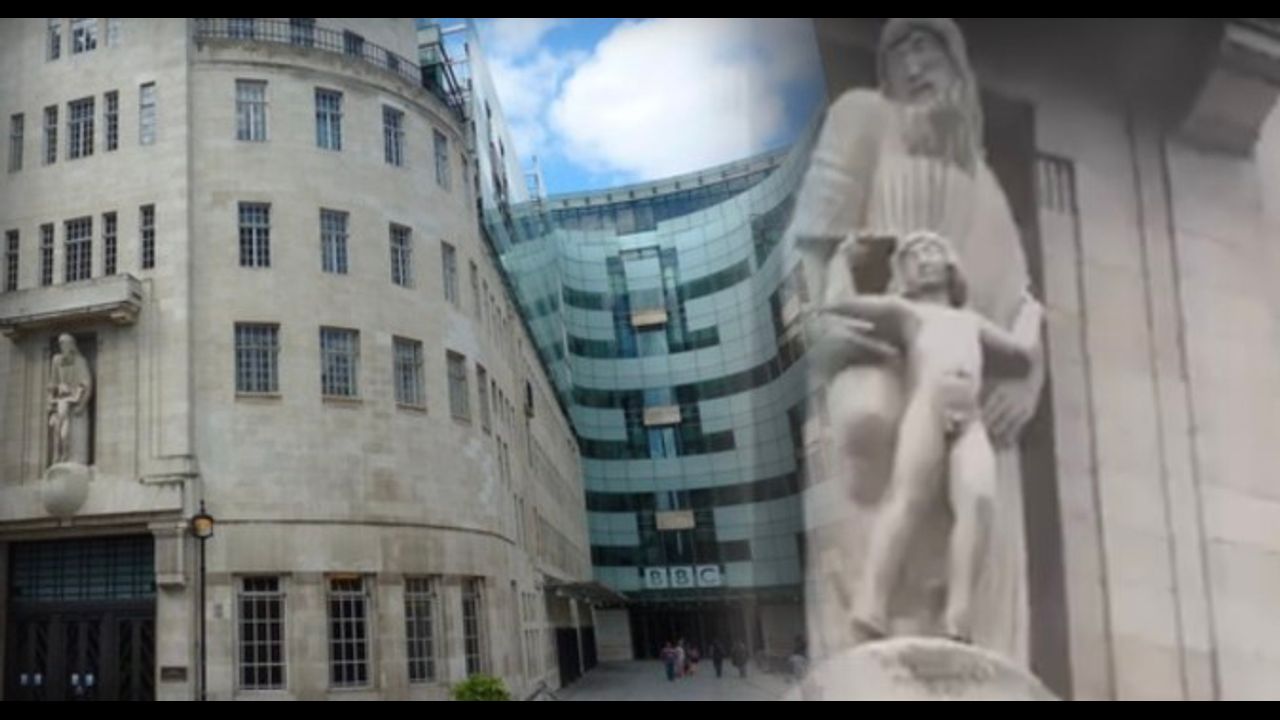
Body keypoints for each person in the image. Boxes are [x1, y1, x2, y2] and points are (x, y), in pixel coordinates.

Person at [791, 18, 1043, 661]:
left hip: (973, 391)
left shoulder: (984, 181)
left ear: (957, 65)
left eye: (926, 45)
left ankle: (960, 631)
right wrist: (819, 322)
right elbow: (814, 242)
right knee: (873, 438)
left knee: (978, 501)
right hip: (880, 357)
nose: (912, 63)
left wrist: (1028, 381)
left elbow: (1020, 304)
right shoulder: (863, 117)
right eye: (898, 51)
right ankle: (873, 622)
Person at [823, 231, 1041, 641]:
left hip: (969, 412)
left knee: (978, 500)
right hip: (929, 404)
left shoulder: (971, 322)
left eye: (932, 252)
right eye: (913, 256)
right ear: (903, 273)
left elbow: (1021, 355)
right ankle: (871, 601)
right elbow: (840, 305)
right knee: (908, 498)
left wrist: (1031, 313)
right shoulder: (907, 313)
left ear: (950, 265)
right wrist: (841, 261)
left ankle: (958, 613)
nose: (923, 260)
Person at [47, 333, 94, 466]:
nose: (62, 346)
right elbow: (52, 382)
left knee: (72, 436)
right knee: (58, 432)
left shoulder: (80, 361)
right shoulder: (57, 360)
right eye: (60, 344)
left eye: (65, 344)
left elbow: (87, 383)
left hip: (76, 405)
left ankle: (74, 460)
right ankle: (58, 457)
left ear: (72, 346)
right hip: (61, 403)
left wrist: (82, 404)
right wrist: (51, 398)